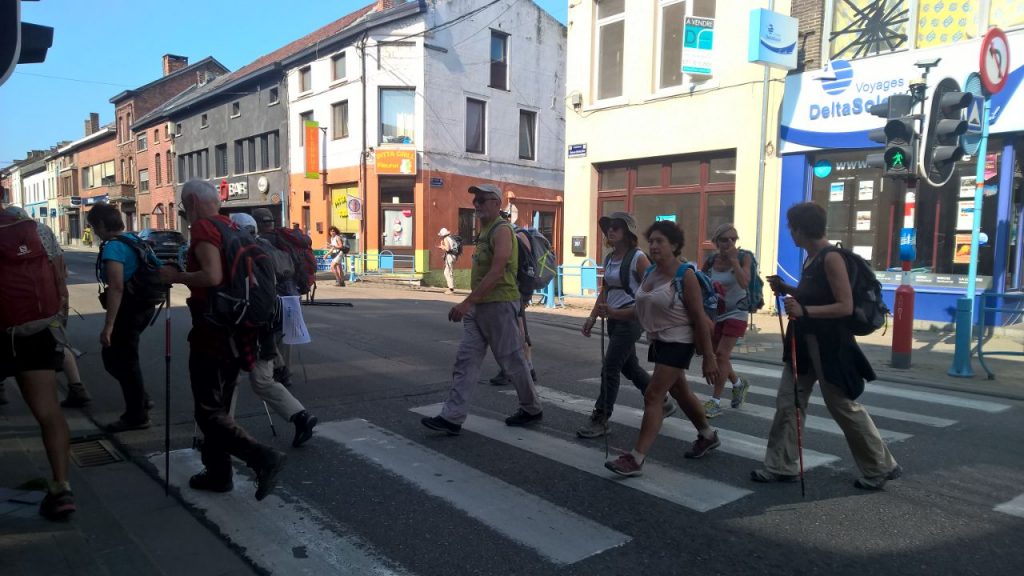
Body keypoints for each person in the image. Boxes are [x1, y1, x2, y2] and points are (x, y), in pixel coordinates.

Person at [752, 202, 901, 490]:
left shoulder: (831, 258)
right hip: (803, 342)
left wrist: (804, 311)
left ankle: (881, 466)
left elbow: (844, 306)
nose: (790, 233)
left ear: (801, 229)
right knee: (789, 401)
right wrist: (787, 289)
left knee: (841, 405)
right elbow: (815, 294)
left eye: (791, 228)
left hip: (828, 345)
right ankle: (782, 465)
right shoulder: (811, 258)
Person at [158, 180, 287, 500]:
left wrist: (176, 277)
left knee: (208, 411)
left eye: (184, 205)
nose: (185, 210)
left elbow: (212, 276)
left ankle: (263, 458)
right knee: (219, 407)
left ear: (191, 200)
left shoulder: (204, 228)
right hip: (236, 329)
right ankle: (219, 473)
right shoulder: (233, 227)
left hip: (213, 331)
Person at [421, 184, 543, 435]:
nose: (476, 204)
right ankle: (452, 417)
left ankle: (531, 409)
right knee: (465, 361)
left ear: (497, 204)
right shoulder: (486, 230)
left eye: (482, 200)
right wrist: (472, 303)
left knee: (512, 361)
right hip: (479, 307)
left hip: (499, 304)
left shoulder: (502, 230)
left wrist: (467, 302)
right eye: (475, 200)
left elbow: (497, 271)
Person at [601, 220, 720, 477]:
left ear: (674, 245)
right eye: (652, 241)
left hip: (679, 342)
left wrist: (709, 357)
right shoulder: (651, 273)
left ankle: (636, 458)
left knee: (653, 395)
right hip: (659, 341)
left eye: (660, 241)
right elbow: (641, 309)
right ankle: (708, 435)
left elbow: (699, 318)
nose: (654, 246)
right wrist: (614, 312)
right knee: (680, 392)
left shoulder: (685, 275)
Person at [0, 198, 75, 520]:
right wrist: (59, 325)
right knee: (49, 412)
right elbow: (60, 282)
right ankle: (61, 488)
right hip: (36, 330)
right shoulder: (39, 230)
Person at [577, 212, 676, 438]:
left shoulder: (638, 258)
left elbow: (653, 289)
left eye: (616, 227)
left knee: (610, 367)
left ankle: (601, 418)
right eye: (609, 228)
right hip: (613, 319)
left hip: (630, 320)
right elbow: (605, 290)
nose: (610, 231)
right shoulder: (609, 258)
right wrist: (592, 317)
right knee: (629, 367)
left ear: (627, 232)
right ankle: (663, 402)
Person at [230, 212, 317, 447]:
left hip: (242, 326)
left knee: (229, 379)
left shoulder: (234, 250)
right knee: (263, 379)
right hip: (270, 318)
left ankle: (223, 430)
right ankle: (301, 416)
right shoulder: (267, 247)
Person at [87, 202, 158, 432]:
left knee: (123, 360)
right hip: (144, 307)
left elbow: (116, 287)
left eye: (94, 227)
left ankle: (137, 415)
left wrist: (108, 326)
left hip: (128, 310)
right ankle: (140, 399)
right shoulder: (135, 240)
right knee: (118, 358)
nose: (94, 232)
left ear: (101, 224)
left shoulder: (114, 248)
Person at [702, 223, 752, 418]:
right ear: (716, 242)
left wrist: (734, 261)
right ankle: (739, 384)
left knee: (722, 355)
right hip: (717, 313)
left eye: (733, 239)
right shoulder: (711, 261)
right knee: (719, 356)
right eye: (724, 240)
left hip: (737, 312)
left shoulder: (744, 257)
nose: (729, 243)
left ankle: (715, 402)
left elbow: (744, 282)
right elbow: (700, 282)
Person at [437, 227, 458, 294]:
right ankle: (451, 288)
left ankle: (451, 288)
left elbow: (448, 249)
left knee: (447, 272)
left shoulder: (446, 239)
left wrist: (442, 247)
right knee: (449, 272)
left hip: (450, 256)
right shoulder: (450, 238)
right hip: (453, 256)